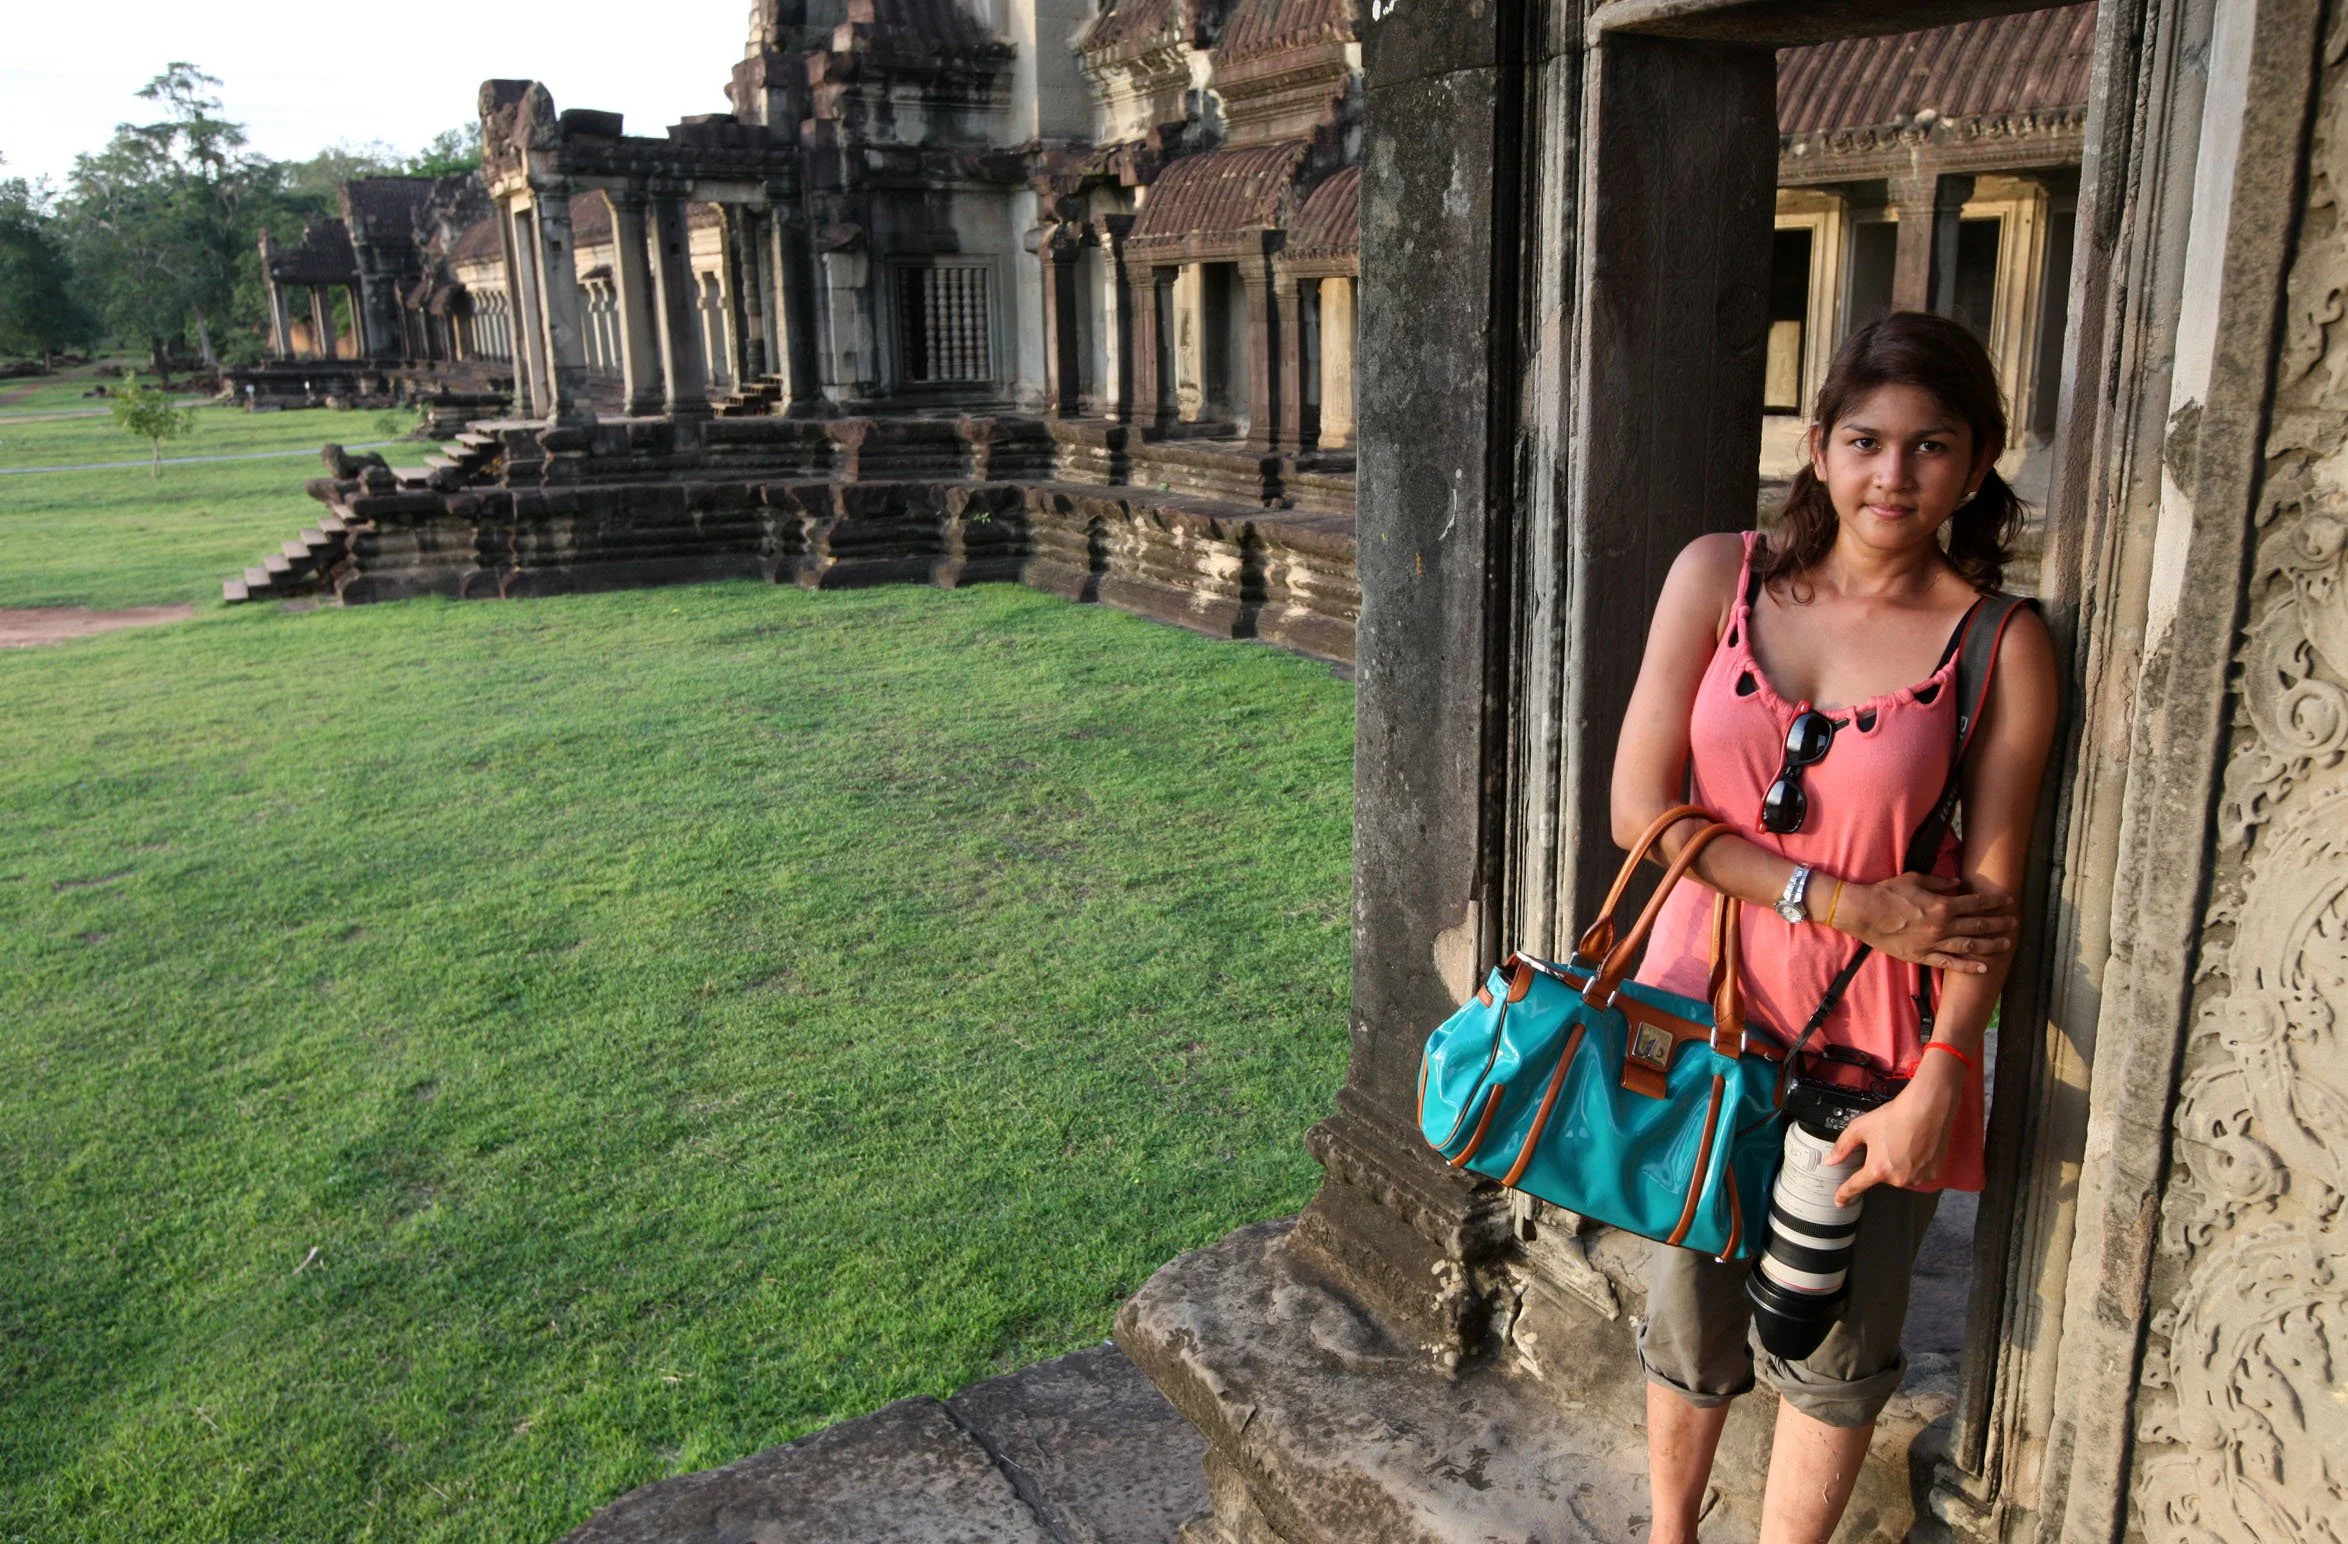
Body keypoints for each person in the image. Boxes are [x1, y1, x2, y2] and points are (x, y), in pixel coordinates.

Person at [1608, 311, 2061, 1544]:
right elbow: (1638, 812)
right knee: (1688, 1295)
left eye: (1930, 447)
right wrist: (1840, 896)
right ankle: (1668, 1530)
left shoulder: (1997, 643)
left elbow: (1987, 899)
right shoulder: (1720, 575)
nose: (1892, 476)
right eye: (1865, 440)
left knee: (1839, 1332)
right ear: (1816, 445)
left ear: (1976, 466)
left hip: (1872, 1042)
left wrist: (1944, 1076)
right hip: (1701, 1008)